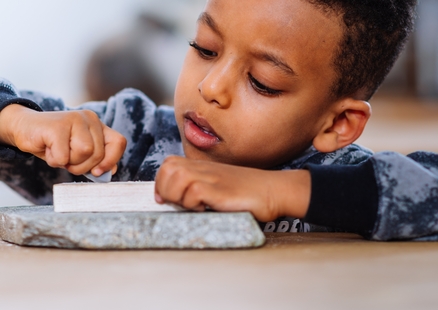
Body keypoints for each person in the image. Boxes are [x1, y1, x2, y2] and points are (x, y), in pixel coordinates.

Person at [1, 0, 432, 241]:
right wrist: (18, 121)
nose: (211, 86)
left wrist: (284, 191)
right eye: (205, 48)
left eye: (262, 82)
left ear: (337, 125)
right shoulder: (126, 134)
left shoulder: (341, 178)